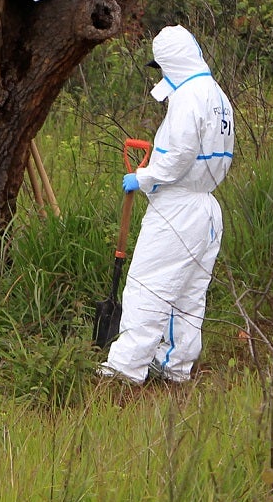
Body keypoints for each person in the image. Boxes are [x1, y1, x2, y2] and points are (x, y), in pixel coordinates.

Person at [97, 25, 235, 385]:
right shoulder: (216, 94)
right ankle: (175, 367)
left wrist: (144, 177)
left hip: (178, 209)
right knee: (188, 294)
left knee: (148, 286)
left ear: (170, 62)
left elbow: (178, 156)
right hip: (205, 208)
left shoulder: (189, 97)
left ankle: (123, 370)